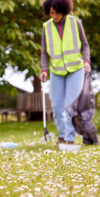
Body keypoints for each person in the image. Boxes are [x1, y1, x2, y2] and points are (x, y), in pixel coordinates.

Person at [39, 0, 91, 144]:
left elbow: (85, 45)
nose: (53, 16)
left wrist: (86, 61)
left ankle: (69, 138)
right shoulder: (46, 27)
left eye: (56, 12)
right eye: (51, 13)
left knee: (70, 105)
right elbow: (44, 52)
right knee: (56, 106)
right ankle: (61, 135)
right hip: (56, 71)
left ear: (64, 9)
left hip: (75, 69)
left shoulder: (75, 23)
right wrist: (44, 70)